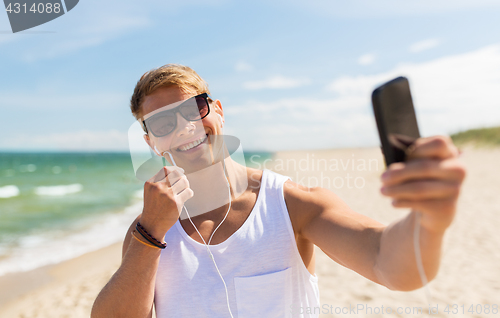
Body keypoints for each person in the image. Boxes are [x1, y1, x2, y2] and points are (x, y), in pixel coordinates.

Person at [91, 64, 467, 318]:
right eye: (162, 123)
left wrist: (430, 220)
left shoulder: (290, 203)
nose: (185, 127)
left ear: (218, 111)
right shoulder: (149, 232)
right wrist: (151, 232)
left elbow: (392, 265)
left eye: (193, 109)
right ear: (152, 142)